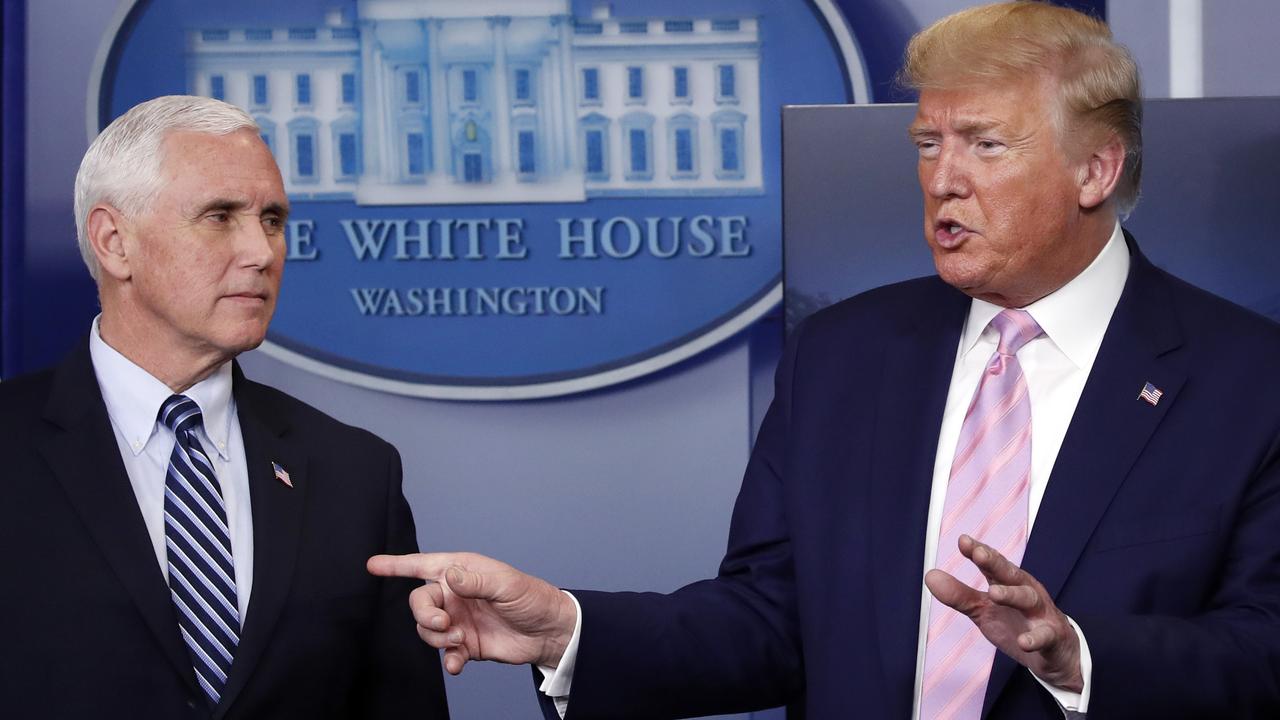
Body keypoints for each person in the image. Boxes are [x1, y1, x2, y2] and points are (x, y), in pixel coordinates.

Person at [369, 3, 1280, 718]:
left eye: (986, 144)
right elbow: (770, 622)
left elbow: (1265, 652)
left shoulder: (1248, 381)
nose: (942, 178)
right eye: (929, 143)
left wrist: (1078, 654)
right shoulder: (845, 356)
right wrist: (568, 627)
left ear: (1096, 170)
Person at [0, 96, 449, 718]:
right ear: (114, 242)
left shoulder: (356, 472)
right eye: (219, 216)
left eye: (272, 218)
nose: (262, 252)